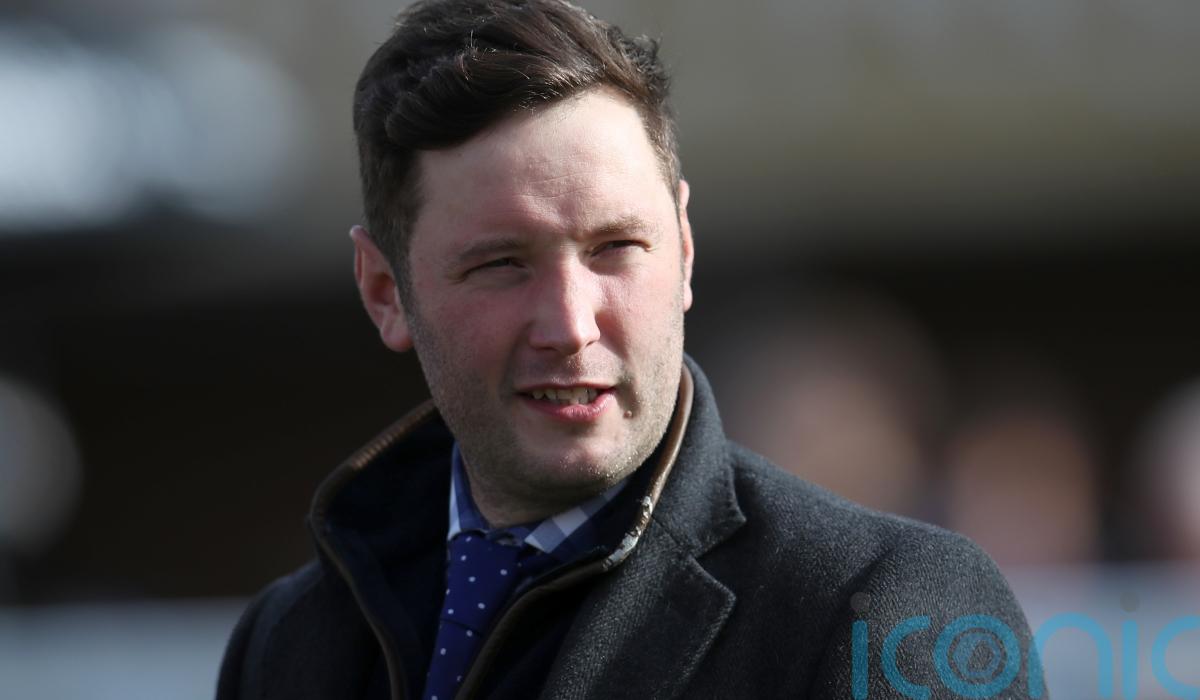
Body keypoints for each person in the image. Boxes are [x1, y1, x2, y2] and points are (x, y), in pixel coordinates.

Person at [217, 1, 1039, 698]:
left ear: (684, 249)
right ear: (384, 291)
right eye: (502, 265)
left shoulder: (889, 612)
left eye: (616, 247)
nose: (572, 325)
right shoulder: (288, 644)